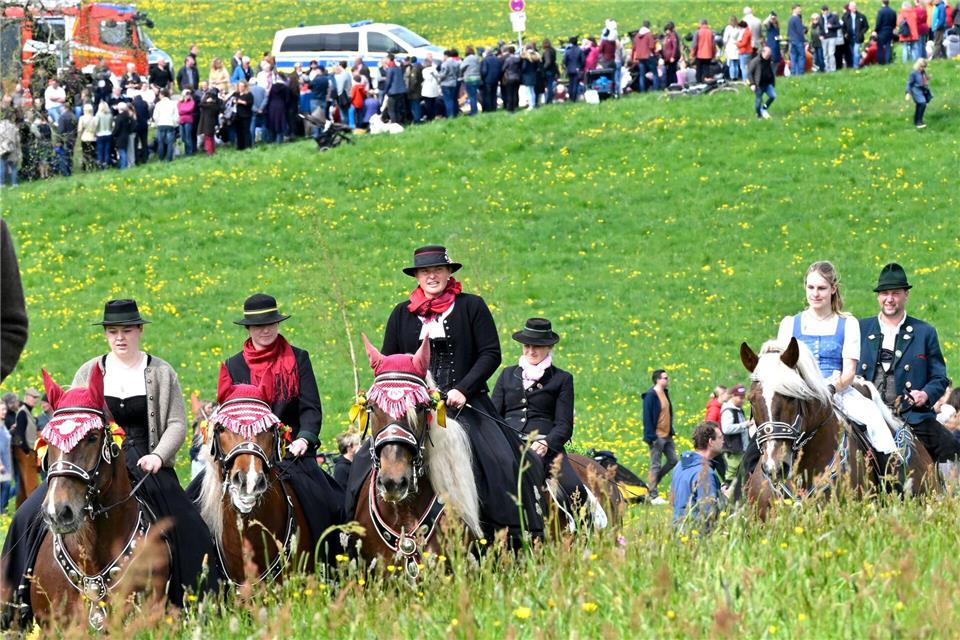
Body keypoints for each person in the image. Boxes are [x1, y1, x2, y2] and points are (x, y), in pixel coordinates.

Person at [1, 300, 219, 620]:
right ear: (106, 334)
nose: (120, 337)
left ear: (140, 331)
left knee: (190, 526)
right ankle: (13, 601)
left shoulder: (160, 371)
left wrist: (158, 456)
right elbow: (73, 420)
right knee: (27, 514)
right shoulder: (88, 371)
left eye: (127, 330)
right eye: (113, 331)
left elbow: (175, 423)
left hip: (146, 462)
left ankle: (194, 604)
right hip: (93, 461)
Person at [345, 246, 545, 545]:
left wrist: (463, 389)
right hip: (412, 409)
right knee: (363, 460)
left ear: (449, 272)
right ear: (417, 277)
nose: (432, 276)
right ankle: (352, 534)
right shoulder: (401, 313)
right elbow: (388, 363)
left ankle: (510, 534)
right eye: (425, 272)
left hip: (466, 404)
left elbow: (490, 353)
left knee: (501, 458)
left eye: (438, 270)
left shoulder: (472, 307)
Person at [191, 293, 344, 559]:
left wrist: (304, 439)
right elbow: (226, 415)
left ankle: (328, 564)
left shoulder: (299, 359)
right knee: (191, 504)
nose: (265, 329)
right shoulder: (232, 365)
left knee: (328, 503)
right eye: (259, 325)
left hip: (290, 456)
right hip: (243, 455)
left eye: (270, 323)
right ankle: (210, 575)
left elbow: (311, 409)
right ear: (248, 329)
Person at [777, 261, 899, 461]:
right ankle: (743, 483)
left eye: (822, 288)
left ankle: (889, 474)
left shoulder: (847, 323)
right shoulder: (790, 324)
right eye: (811, 287)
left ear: (833, 289)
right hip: (799, 394)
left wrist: (831, 389)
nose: (815, 294)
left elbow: (849, 373)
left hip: (836, 390)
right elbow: (782, 369)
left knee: (873, 418)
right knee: (763, 430)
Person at [859, 263, 958, 463]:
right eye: (884, 293)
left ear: (906, 295)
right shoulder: (860, 328)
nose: (889, 299)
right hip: (866, 413)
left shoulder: (924, 332)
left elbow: (939, 378)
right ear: (878, 297)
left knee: (952, 448)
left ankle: (947, 494)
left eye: (895, 293)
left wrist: (925, 394)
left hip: (912, 416)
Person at [491, 318, 591, 515]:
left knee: (575, 490)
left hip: (545, 446)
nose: (531, 351)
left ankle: (582, 530)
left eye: (537, 346)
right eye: (527, 346)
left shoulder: (562, 379)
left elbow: (564, 425)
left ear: (549, 347)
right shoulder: (507, 375)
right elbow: (494, 415)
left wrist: (547, 443)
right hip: (508, 443)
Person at [670, 421, 724, 528]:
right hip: (696, 536)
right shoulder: (706, 474)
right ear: (711, 442)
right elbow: (709, 515)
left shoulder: (680, 465)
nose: (724, 441)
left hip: (678, 532)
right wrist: (724, 498)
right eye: (720, 438)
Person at [643, 369, 678, 505]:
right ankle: (653, 495)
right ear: (657, 380)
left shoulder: (665, 393)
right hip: (656, 436)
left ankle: (652, 483)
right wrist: (650, 436)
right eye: (665, 378)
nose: (667, 380)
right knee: (655, 465)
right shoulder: (651, 396)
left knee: (673, 460)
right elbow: (647, 417)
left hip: (667, 435)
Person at [12, 387, 41, 506]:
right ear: (27, 397)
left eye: (36, 398)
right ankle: (34, 508)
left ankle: (21, 508)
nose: (35, 400)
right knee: (32, 483)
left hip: (27, 450)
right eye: (33, 398)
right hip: (25, 451)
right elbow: (19, 434)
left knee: (25, 486)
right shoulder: (23, 412)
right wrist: (25, 451)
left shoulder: (27, 412)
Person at [720, 384, 753, 484]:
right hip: (733, 450)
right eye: (740, 397)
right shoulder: (728, 411)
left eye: (743, 398)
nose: (742, 400)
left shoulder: (738, 410)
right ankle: (727, 493)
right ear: (733, 396)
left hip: (741, 449)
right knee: (731, 474)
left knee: (741, 474)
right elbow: (726, 429)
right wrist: (744, 425)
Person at [748, 46, 777, 119]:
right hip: (759, 85)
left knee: (773, 96)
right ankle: (759, 115)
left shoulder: (769, 60)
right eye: (768, 54)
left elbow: (771, 70)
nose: (769, 56)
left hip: (768, 83)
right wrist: (752, 84)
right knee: (758, 101)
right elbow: (750, 73)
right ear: (763, 53)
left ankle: (764, 108)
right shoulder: (755, 61)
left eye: (769, 54)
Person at [842, 2, 870, 68]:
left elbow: (866, 26)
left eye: (855, 6)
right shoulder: (845, 16)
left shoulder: (861, 16)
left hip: (858, 37)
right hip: (849, 38)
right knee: (851, 53)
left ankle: (856, 67)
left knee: (856, 52)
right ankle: (852, 65)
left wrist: (862, 32)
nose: (854, 8)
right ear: (849, 8)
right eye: (853, 6)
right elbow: (843, 27)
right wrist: (845, 33)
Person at [905, 58, 932, 128]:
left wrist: (928, 78)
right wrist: (908, 93)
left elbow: (923, 78)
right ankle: (919, 121)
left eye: (924, 67)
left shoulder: (923, 72)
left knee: (920, 104)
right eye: (921, 66)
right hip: (916, 90)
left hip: (923, 90)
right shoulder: (913, 73)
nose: (922, 68)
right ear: (918, 65)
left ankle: (917, 120)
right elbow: (909, 83)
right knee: (922, 103)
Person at [692, 19, 717, 83]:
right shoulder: (711, 32)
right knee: (706, 69)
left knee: (699, 69)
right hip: (708, 54)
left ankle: (699, 82)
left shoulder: (698, 32)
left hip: (699, 54)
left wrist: (693, 54)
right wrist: (714, 54)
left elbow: (695, 44)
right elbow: (713, 45)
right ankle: (706, 82)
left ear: (701, 24)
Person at [197, 87, 220, 155]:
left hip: (207, 121)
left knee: (208, 136)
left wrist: (206, 101)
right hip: (211, 121)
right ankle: (212, 150)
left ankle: (210, 151)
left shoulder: (210, 104)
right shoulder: (216, 103)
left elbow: (200, 104)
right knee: (210, 136)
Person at [76, 102, 97, 171]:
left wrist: (79, 137)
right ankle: (93, 166)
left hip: (85, 137)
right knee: (93, 152)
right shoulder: (94, 118)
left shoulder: (82, 118)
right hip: (93, 137)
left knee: (85, 153)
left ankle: (84, 167)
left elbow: (80, 129)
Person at [480, 47, 502, 112]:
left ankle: (488, 109)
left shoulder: (485, 60)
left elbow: (484, 71)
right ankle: (494, 108)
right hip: (495, 80)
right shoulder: (497, 59)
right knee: (494, 95)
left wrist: (482, 78)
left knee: (487, 95)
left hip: (487, 80)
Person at [562, 37, 584, 102]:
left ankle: (571, 97)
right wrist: (580, 67)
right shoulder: (580, 50)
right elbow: (583, 60)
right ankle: (574, 98)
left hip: (569, 69)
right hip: (577, 69)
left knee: (570, 83)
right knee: (575, 84)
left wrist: (567, 66)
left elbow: (565, 61)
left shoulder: (568, 51)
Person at [820, 5, 842, 71]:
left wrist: (832, 26)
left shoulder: (833, 17)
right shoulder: (821, 18)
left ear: (828, 10)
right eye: (823, 10)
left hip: (832, 37)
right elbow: (820, 28)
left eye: (826, 10)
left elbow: (839, 25)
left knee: (831, 53)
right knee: (825, 54)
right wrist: (820, 35)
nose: (825, 12)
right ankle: (827, 68)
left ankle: (833, 69)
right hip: (824, 38)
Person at [788, 4, 808, 75]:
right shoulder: (797, 19)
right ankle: (800, 72)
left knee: (793, 58)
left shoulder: (790, 19)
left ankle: (793, 72)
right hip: (798, 41)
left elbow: (788, 31)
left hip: (792, 41)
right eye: (798, 9)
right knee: (801, 57)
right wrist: (804, 41)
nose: (800, 10)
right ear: (794, 9)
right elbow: (800, 31)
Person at [724, 16, 744, 81]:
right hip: (737, 46)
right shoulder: (738, 28)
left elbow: (725, 39)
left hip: (730, 46)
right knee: (736, 63)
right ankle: (736, 76)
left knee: (731, 63)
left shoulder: (728, 28)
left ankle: (732, 77)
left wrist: (725, 45)